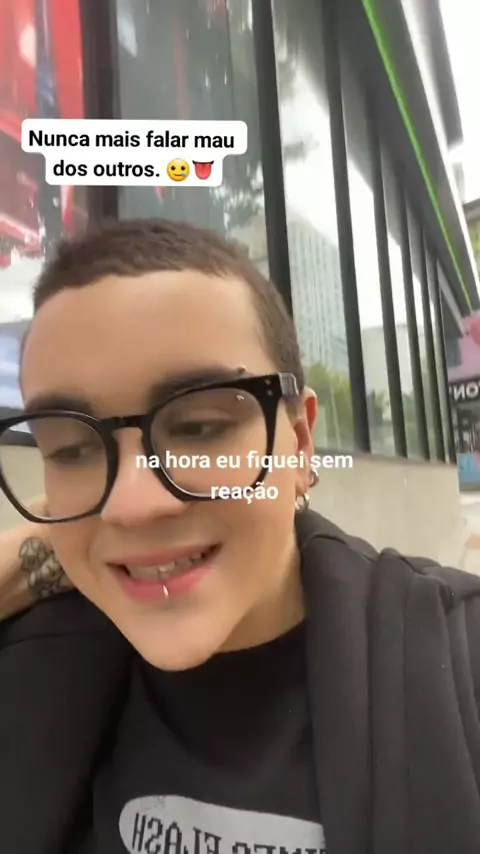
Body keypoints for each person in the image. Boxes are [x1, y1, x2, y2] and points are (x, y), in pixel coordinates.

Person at [1, 218, 480, 854]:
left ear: (300, 442)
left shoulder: (458, 660)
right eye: (71, 449)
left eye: (199, 427)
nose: (131, 506)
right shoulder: (28, 670)